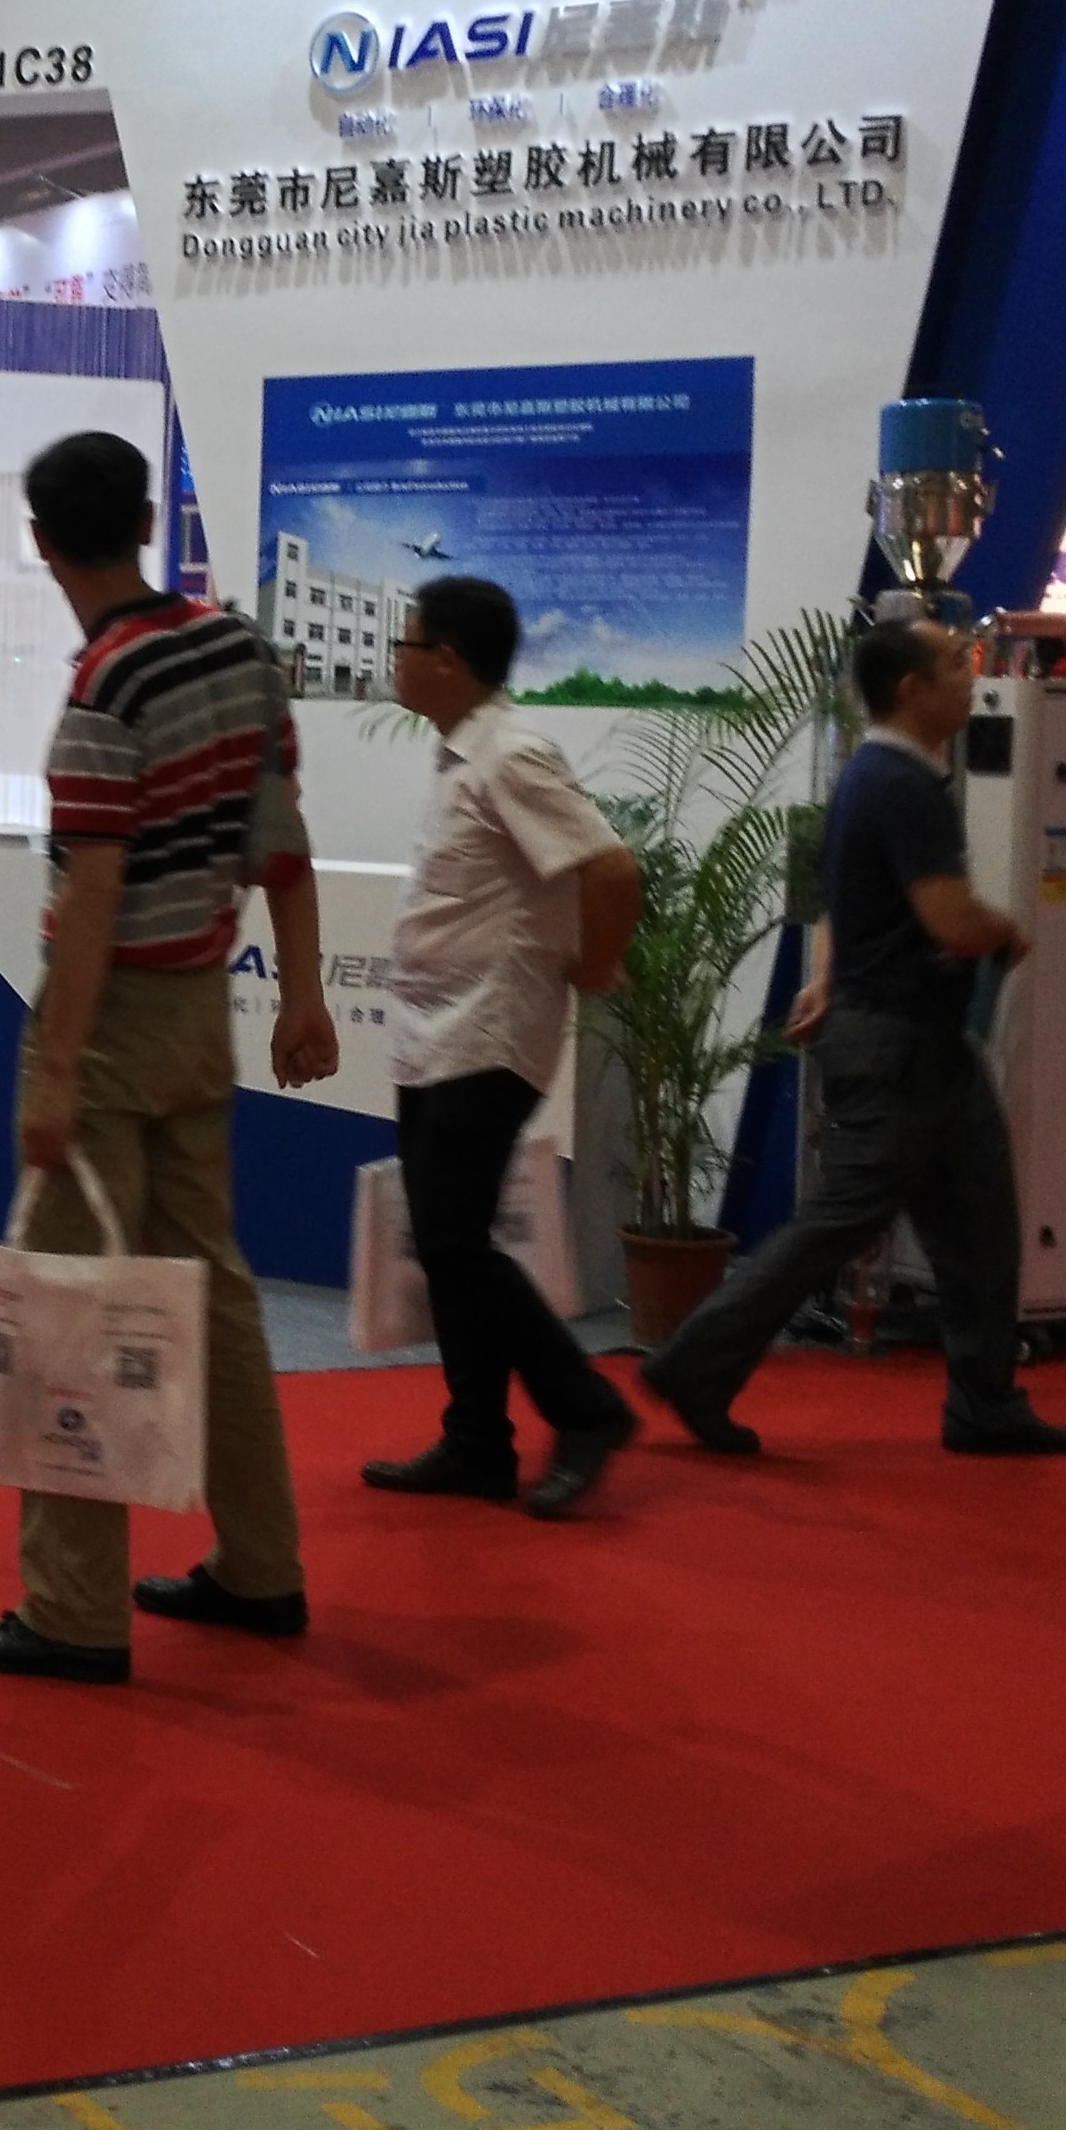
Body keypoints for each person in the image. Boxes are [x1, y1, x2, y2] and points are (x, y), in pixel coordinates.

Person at [0, 431, 340, 1687]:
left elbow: (93, 899)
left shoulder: (102, 693)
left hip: (107, 1021)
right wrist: (304, 993)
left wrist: (55, 1070)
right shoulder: (238, 652)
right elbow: (283, 843)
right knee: (213, 1292)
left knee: (69, 1305)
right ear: (146, 525)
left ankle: (72, 1610)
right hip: (200, 1015)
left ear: (42, 544)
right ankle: (260, 1566)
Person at [640, 618, 1066, 1461]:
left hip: (918, 1045)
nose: (971, 674)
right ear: (912, 689)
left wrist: (828, 978)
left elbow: (844, 904)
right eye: (954, 663)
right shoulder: (904, 786)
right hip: (899, 1047)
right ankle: (694, 1364)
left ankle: (985, 1402)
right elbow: (948, 919)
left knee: (979, 1224)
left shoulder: (871, 777)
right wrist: (1003, 930)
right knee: (841, 1223)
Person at [364, 575, 646, 1519]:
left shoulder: (512, 755)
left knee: (454, 1243)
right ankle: (477, 1440)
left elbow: (611, 868)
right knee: (449, 1246)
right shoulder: (461, 755)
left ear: (447, 660)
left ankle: (587, 1408)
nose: (395, 660)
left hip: (488, 1035)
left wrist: (595, 965)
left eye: (405, 644)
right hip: (433, 1035)